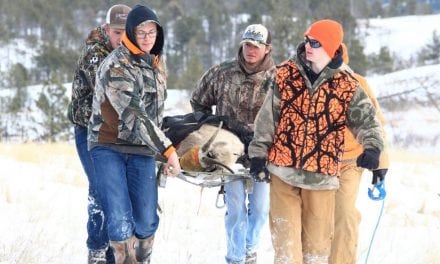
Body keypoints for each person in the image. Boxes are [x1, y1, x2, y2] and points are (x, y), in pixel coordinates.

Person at [248, 19, 385, 263]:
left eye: (315, 42)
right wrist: (258, 154)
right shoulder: (286, 74)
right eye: (307, 40)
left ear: (331, 47)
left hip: (321, 179)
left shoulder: (347, 85)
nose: (308, 46)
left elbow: (368, 121)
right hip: (283, 172)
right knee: (287, 250)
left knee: (316, 253)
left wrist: (373, 148)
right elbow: (267, 119)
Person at [88, 4, 181, 264]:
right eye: (141, 33)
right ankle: (123, 259)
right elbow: (134, 115)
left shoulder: (157, 65)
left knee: (146, 219)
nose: (147, 38)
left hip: (141, 148)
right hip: (108, 144)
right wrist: (168, 150)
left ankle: (143, 256)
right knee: (119, 218)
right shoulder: (116, 64)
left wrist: (167, 144)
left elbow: (155, 115)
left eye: (152, 32)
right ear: (130, 32)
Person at [190, 24, 275, 264]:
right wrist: (211, 128)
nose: (251, 50)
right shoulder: (221, 72)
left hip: (263, 152)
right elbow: (198, 102)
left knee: (260, 208)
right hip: (228, 151)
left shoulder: (277, 78)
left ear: (267, 49)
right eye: (247, 45)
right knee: (236, 207)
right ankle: (236, 257)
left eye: (256, 46)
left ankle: (250, 248)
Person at [69, 4, 131, 263]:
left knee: (119, 191)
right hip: (89, 130)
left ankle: (115, 253)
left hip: (118, 132)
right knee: (100, 188)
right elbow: (110, 92)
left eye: (126, 33)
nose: (121, 38)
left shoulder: (131, 51)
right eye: (117, 32)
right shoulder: (96, 53)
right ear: (107, 29)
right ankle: (97, 249)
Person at [329, 43, 390, 264]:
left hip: (350, 161)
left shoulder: (358, 83)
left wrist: (380, 164)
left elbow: (376, 124)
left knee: (344, 213)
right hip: (316, 163)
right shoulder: (312, 82)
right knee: (319, 217)